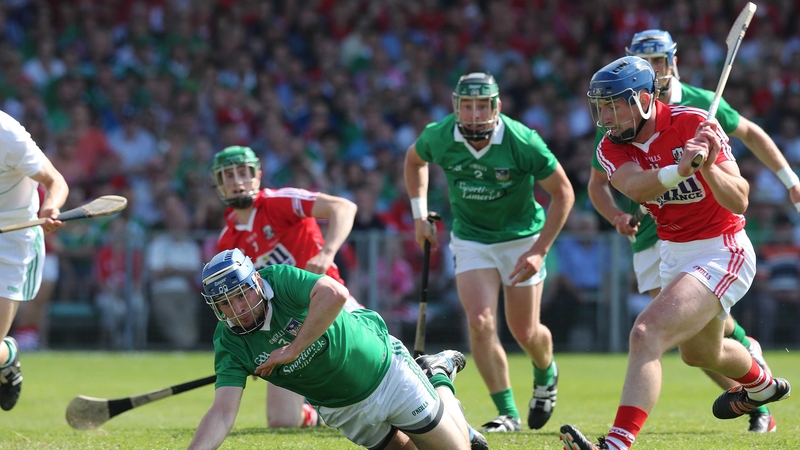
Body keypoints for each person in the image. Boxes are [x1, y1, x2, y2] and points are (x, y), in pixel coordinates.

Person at [559, 56, 792, 450]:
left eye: (615, 104)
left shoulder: (692, 123)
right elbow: (636, 188)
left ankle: (617, 443)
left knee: (646, 333)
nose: (607, 116)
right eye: (602, 106)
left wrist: (708, 167)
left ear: (646, 99)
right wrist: (679, 170)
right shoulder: (609, 148)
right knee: (701, 353)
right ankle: (763, 385)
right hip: (673, 251)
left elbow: (740, 201)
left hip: (723, 249)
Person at [404, 72, 575, 432]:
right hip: (472, 239)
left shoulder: (521, 140)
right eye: (467, 105)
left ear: (496, 106)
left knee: (525, 331)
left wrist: (540, 251)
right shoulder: (440, 134)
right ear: (456, 106)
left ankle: (546, 371)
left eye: (483, 105)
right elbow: (414, 161)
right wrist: (420, 216)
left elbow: (564, 194)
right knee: (480, 323)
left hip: (521, 238)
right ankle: (508, 413)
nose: (475, 113)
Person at [188, 248, 488, 450]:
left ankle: (436, 375)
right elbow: (222, 413)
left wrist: (292, 349)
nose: (236, 309)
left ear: (255, 281)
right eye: (225, 303)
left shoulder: (280, 280)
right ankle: (443, 405)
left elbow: (336, 293)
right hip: (342, 408)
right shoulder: (229, 342)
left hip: (384, 371)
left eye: (240, 295)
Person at [210, 145, 363, 428]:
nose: (237, 181)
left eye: (243, 173)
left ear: (257, 176)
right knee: (282, 421)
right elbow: (236, 303)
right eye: (228, 176)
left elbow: (343, 206)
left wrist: (327, 253)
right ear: (219, 184)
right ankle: (318, 417)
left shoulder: (278, 203)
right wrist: (252, 343)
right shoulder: (228, 240)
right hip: (283, 326)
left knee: (376, 380)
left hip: (328, 306)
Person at [0, 110, 69, 410]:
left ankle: (5, 355)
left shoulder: (7, 133)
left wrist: (50, 207)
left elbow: (56, 181)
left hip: (11, 245)